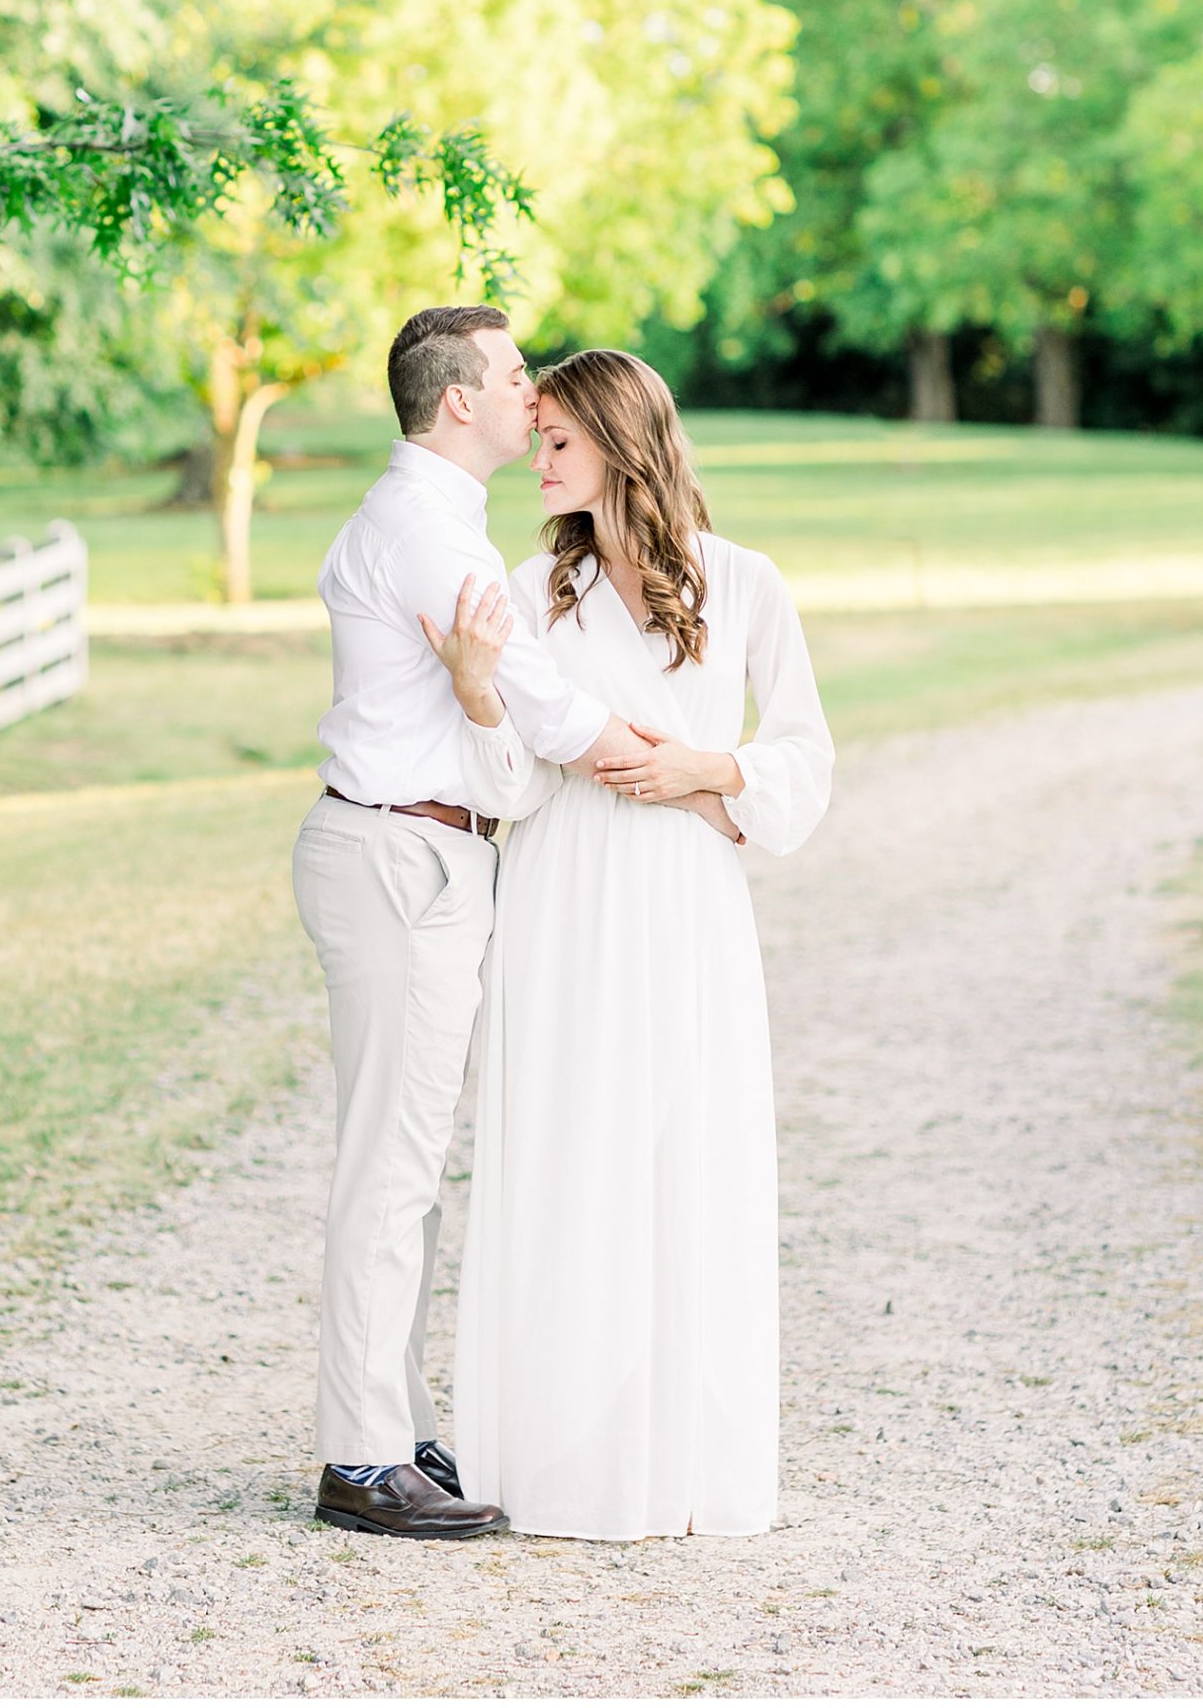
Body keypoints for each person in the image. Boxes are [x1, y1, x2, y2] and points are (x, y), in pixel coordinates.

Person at [293, 307, 743, 1541]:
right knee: (389, 1172)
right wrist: (675, 765)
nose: (527, 388)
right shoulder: (428, 537)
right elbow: (542, 709)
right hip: (401, 854)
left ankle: (395, 1426)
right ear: (456, 403)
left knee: (410, 1169)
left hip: (420, 850)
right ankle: (361, 1459)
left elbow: (504, 725)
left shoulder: (438, 525)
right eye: (509, 372)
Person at [432, 348, 834, 1542]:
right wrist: (478, 693)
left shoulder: (746, 584)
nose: (535, 459)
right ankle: (561, 1464)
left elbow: (805, 763)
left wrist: (707, 771)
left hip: (687, 901)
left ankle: (685, 1467)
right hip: (561, 899)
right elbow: (509, 784)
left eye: (554, 440)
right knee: (568, 1156)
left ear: (617, 441)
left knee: (684, 1156)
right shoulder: (526, 590)